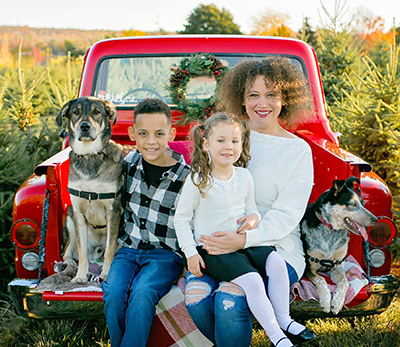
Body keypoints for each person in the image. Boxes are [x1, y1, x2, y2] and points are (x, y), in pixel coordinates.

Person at [183, 57, 316, 347]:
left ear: (285, 98)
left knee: (228, 301)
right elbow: (200, 188)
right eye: (253, 95)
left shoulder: (298, 150)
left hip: (277, 248)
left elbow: (287, 216)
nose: (262, 103)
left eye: (271, 95)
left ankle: (271, 329)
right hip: (218, 243)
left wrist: (243, 241)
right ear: (241, 100)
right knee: (195, 299)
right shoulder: (229, 136)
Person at [102, 98, 190, 347]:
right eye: (143, 134)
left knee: (142, 293)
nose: (151, 141)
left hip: (165, 255)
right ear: (132, 134)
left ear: (171, 134)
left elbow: (191, 222)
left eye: (159, 134)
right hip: (129, 250)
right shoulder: (127, 165)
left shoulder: (186, 178)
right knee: (114, 291)